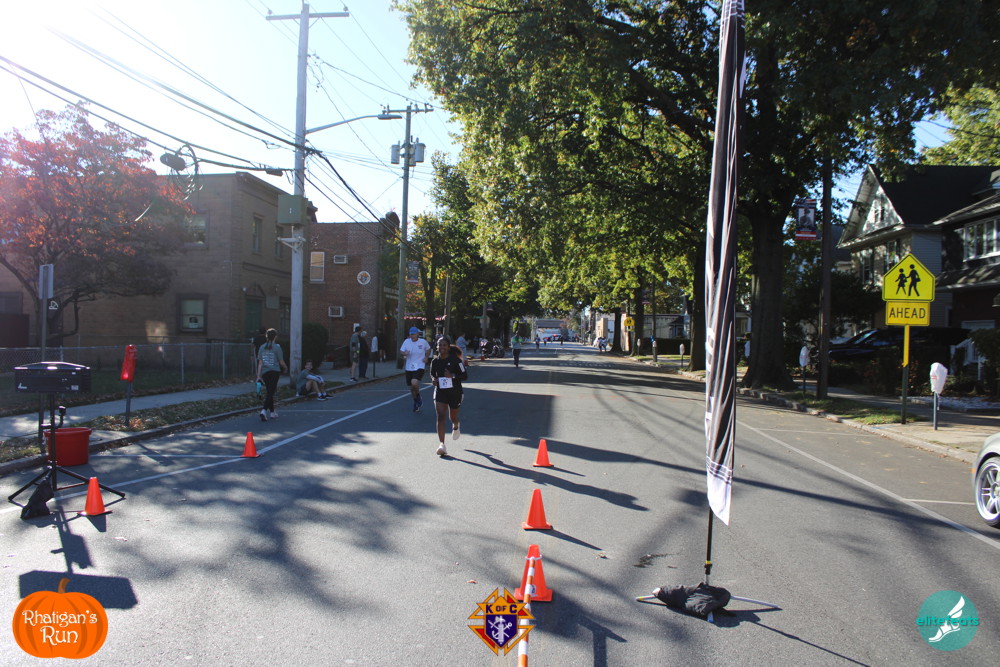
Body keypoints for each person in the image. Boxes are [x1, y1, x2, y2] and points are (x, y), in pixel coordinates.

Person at [430, 335, 467, 457]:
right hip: (440, 391)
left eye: (444, 345)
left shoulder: (456, 360)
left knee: (453, 417)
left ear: (448, 347)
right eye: (440, 345)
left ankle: (456, 425)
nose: (442, 347)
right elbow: (432, 374)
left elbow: (464, 375)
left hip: (455, 392)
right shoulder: (435, 361)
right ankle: (442, 444)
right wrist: (434, 380)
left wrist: (453, 376)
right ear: (437, 347)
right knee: (440, 416)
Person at [256, 328, 288, 421]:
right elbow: (281, 361)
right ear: (275, 337)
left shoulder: (262, 347)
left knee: (269, 391)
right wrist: (285, 367)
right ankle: (264, 410)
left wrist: (258, 375)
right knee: (271, 392)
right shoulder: (277, 348)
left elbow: (260, 363)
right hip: (274, 371)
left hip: (265, 372)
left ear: (267, 336)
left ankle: (272, 412)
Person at [400, 327, 432, 412]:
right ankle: (416, 401)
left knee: (414, 382)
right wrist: (405, 353)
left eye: (414, 334)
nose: (412, 336)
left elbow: (428, 349)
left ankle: (417, 396)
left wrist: (426, 357)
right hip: (409, 367)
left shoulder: (423, 342)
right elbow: (401, 351)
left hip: (420, 365)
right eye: (411, 334)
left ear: (417, 334)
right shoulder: (406, 341)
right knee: (412, 387)